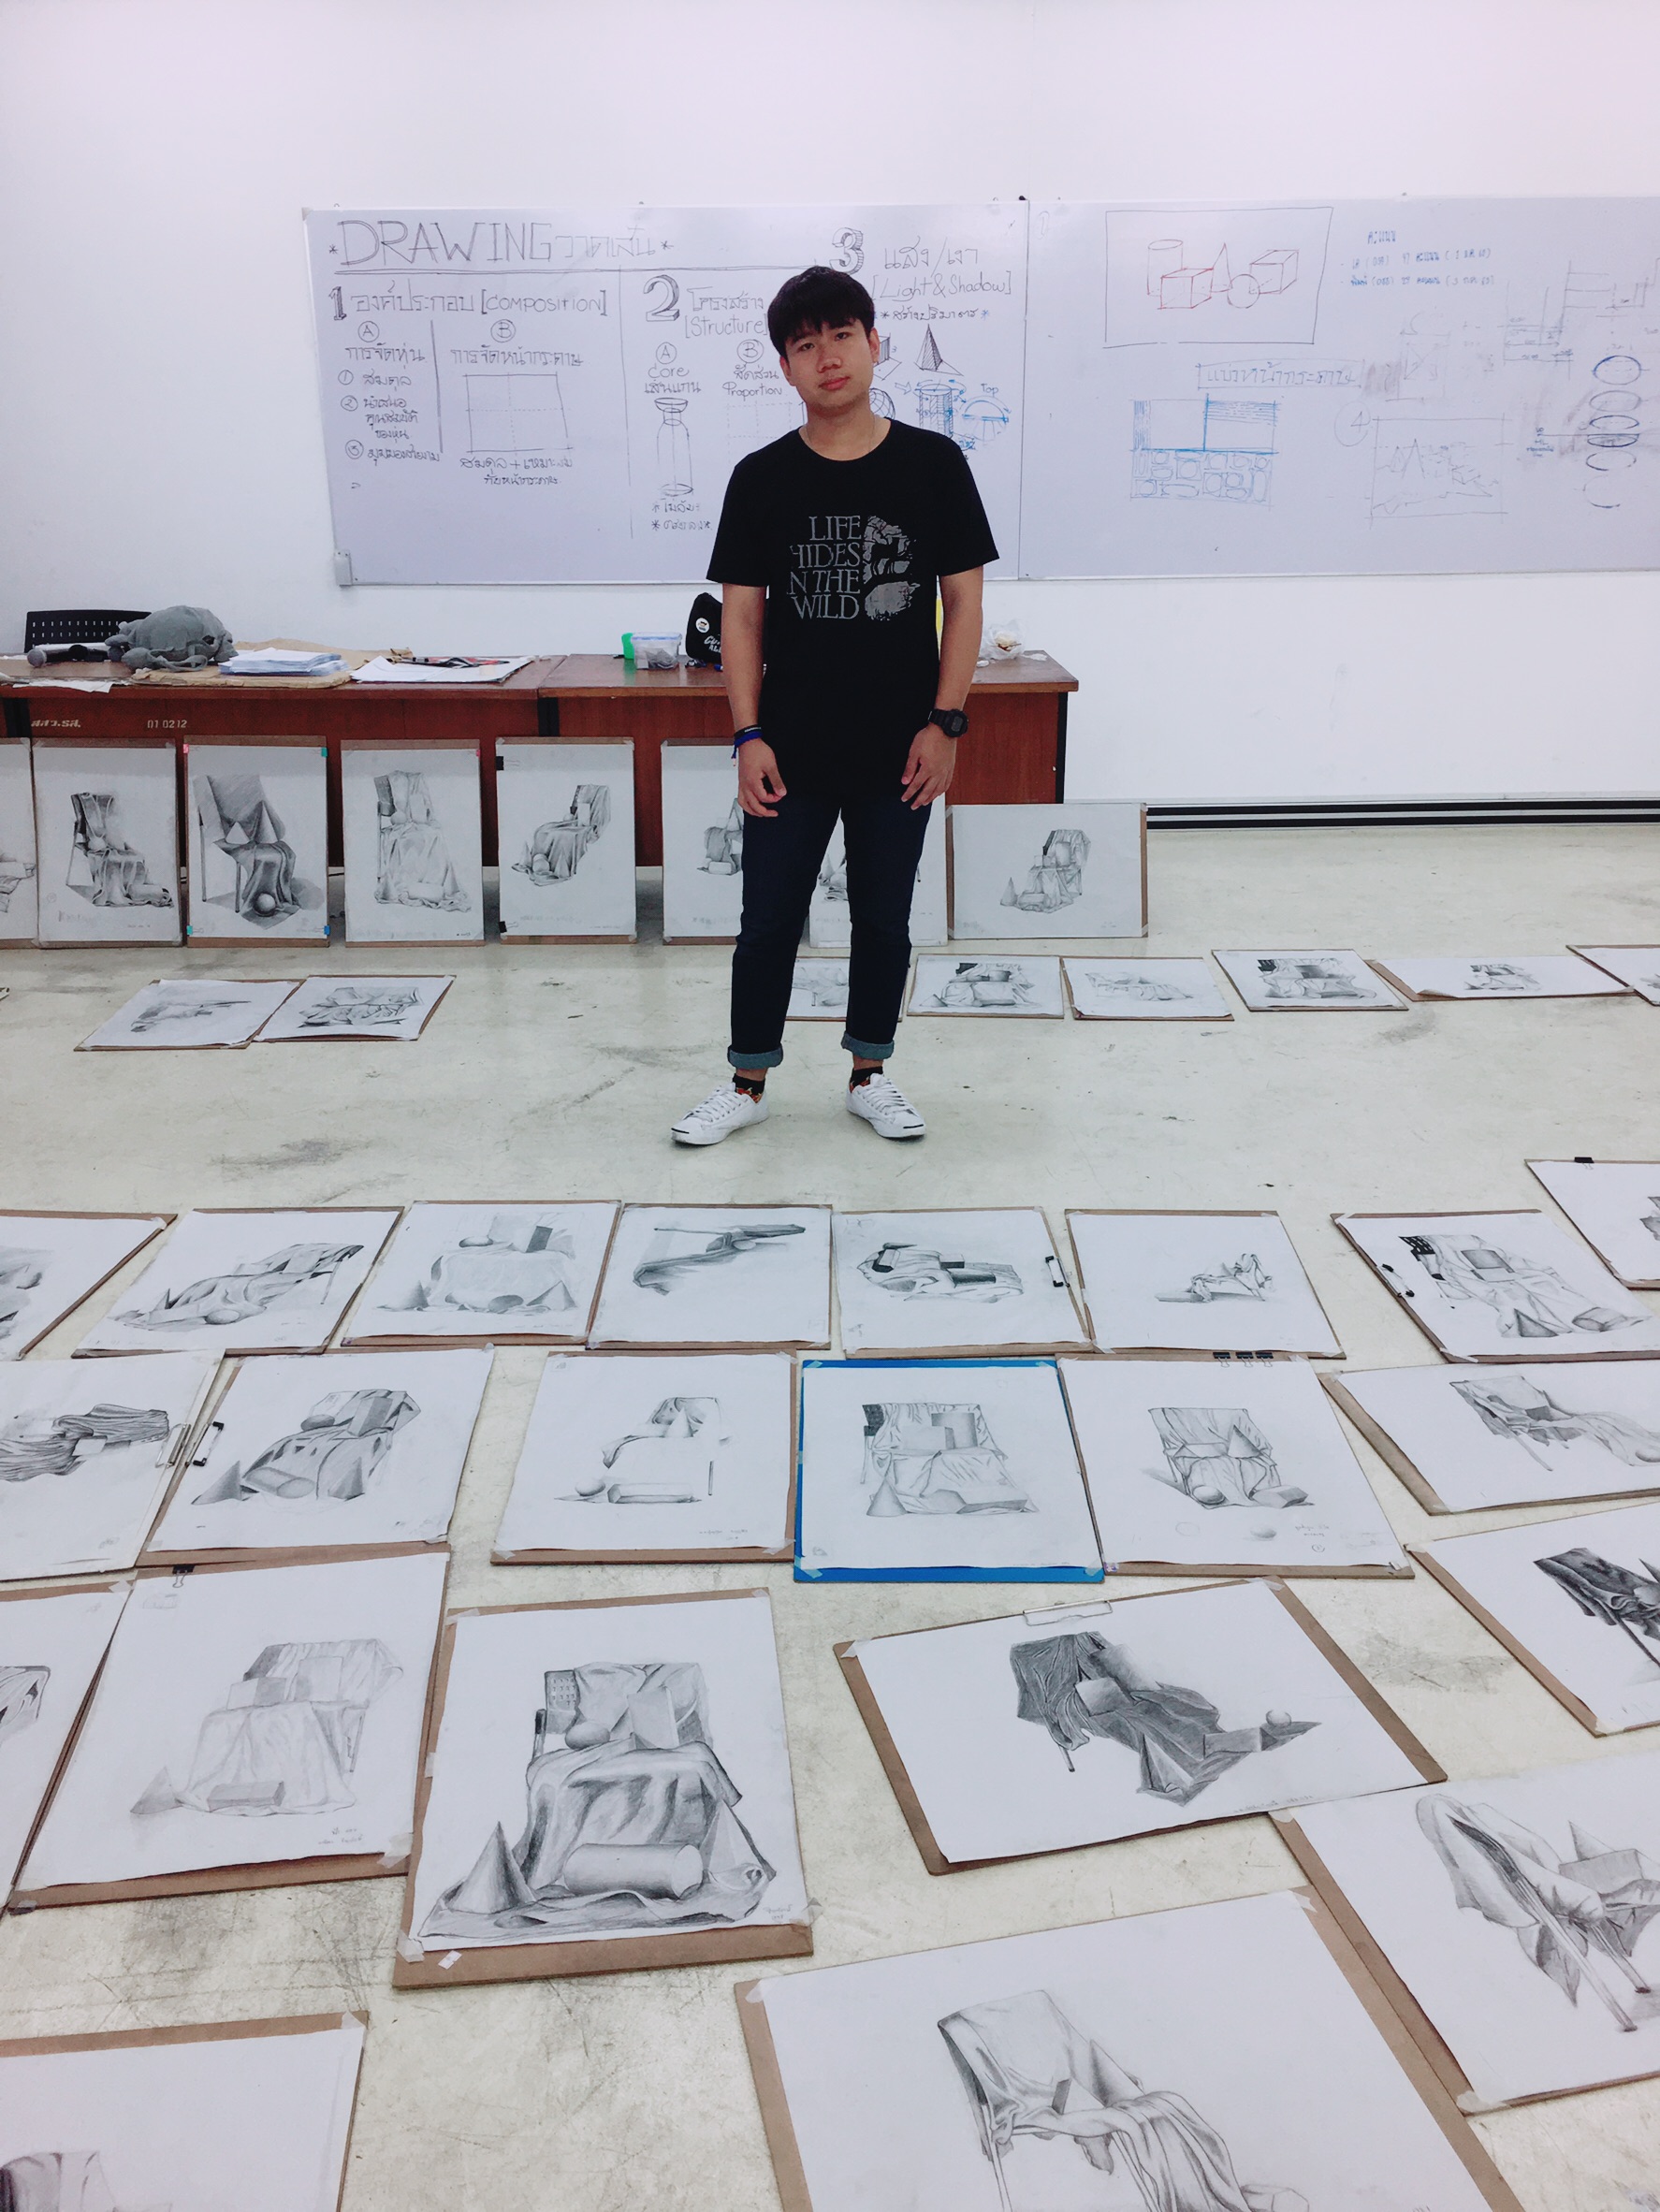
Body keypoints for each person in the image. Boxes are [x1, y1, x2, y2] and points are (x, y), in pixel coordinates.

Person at [671, 266, 997, 1146]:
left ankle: (869, 1073)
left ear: (874, 343)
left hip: (902, 744)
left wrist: (946, 722)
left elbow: (963, 603)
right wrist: (746, 733)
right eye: (805, 344)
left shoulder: (934, 465)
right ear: (785, 366)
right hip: (791, 744)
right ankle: (746, 1083)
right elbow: (742, 617)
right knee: (767, 921)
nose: (827, 358)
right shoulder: (761, 477)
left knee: (883, 919)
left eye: (842, 336)